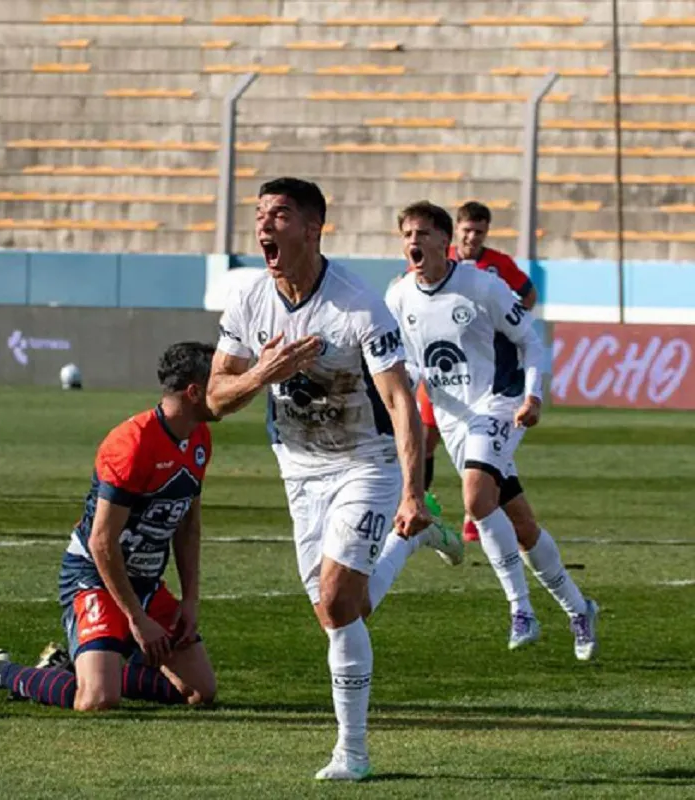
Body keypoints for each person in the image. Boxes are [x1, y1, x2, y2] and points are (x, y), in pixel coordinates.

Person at [208, 177, 461, 782]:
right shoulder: (246, 297)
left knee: (339, 601)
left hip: (363, 466)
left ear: (313, 228)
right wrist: (263, 373)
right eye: (261, 214)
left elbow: (401, 403)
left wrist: (406, 488)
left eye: (281, 215)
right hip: (298, 471)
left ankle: (352, 753)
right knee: (340, 608)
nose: (265, 225)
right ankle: (411, 539)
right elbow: (216, 397)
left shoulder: (356, 304)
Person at [0, 342, 218, 712]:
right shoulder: (132, 444)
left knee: (200, 693)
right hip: (95, 576)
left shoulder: (199, 438)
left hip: (146, 582)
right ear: (194, 392)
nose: (232, 389)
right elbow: (101, 542)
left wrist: (190, 602)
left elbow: (187, 528)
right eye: (221, 381)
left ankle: (83, 667)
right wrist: (137, 619)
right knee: (97, 700)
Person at [387, 201, 599, 659]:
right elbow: (408, 368)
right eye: (407, 234)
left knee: (475, 499)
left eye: (423, 233)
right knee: (522, 525)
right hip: (454, 417)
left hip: (499, 403)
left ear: (445, 242)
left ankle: (521, 609)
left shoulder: (482, 286)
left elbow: (532, 342)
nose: (413, 242)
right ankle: (580, 608)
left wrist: (533, 397)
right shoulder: (399, 297)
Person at [421, 201, 540, 541]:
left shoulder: (498, 265)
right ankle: (422, 504)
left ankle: (475, 515)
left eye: (479, 232)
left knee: (483, 446)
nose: (473, 237)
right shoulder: (437, 260)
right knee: (425, 438)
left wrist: (505, 324)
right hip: (441, 367)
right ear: (456, 231)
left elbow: (528, 294)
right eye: (467, 230)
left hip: (484, 373)